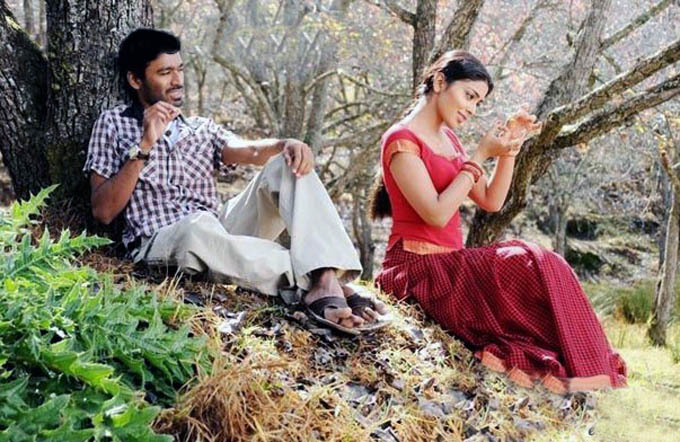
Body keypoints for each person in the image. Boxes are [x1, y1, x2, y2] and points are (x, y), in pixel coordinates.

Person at [84, 28, 388, 334]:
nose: (178, 80)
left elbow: (251, 150)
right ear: (135, 80)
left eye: (180, 69)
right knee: (197, 228)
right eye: (165, 73)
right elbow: (103, 211)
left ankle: (324, 278)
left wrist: (287, 144)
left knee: (286, 164)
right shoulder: (113, 124)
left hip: (220, 230)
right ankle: (323, 279)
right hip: (161, 238)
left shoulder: (200, 128)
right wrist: (145, 146)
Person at [372, 50, 626, 392]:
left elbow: (491, 201)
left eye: (478, 102)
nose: (472, 109)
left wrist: (509, 150)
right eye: (469, 96)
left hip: (450, 264)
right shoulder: (402, 140)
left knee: (542, 261)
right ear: (440, 82)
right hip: (416, 269)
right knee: (525, 260)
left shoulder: (449, 139)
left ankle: (587, 363)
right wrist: (479, 155)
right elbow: (436, 213)